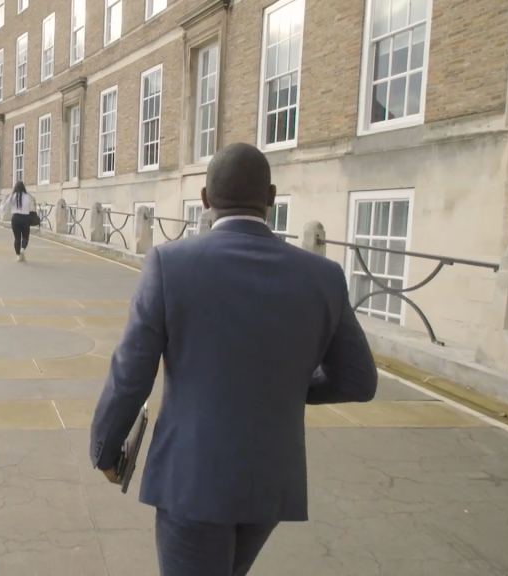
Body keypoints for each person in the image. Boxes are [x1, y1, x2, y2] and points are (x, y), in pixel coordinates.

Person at [89, 143, 378, 576]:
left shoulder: (171, 263)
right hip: (270, 481)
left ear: (205, 199)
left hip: (192, 480)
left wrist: (106, 451)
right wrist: (288, 386)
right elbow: (358, 381)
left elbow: (131, 372)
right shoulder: (322, 275)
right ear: (272, 198)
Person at [0, 181, 37, 262]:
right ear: (24, 188)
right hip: (25, 218)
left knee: (17, 238)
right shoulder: (28, 197)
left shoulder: (12, 196)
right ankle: (22, 248)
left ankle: (18, 256)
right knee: (25, 237)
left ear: (15, 188)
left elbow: (4, 207)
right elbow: (31, 208)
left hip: (15, 218)